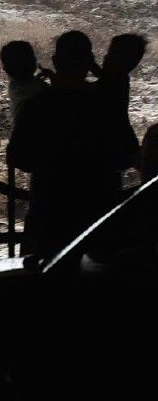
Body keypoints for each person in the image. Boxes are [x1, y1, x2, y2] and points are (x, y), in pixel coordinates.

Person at [7, 31, 139, 259]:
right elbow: (127, 155)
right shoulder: (107, 107)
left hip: (49, 216)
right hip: (99, 218)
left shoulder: (36, 107)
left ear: (56, 61)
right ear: (89, 63)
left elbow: (18, 157)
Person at [3, 40, 47, 114]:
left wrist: (38, 80)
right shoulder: (39, 89)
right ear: (34, 62)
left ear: (6, 70)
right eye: (32, 57)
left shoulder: (14, 86)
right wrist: (53, 77)